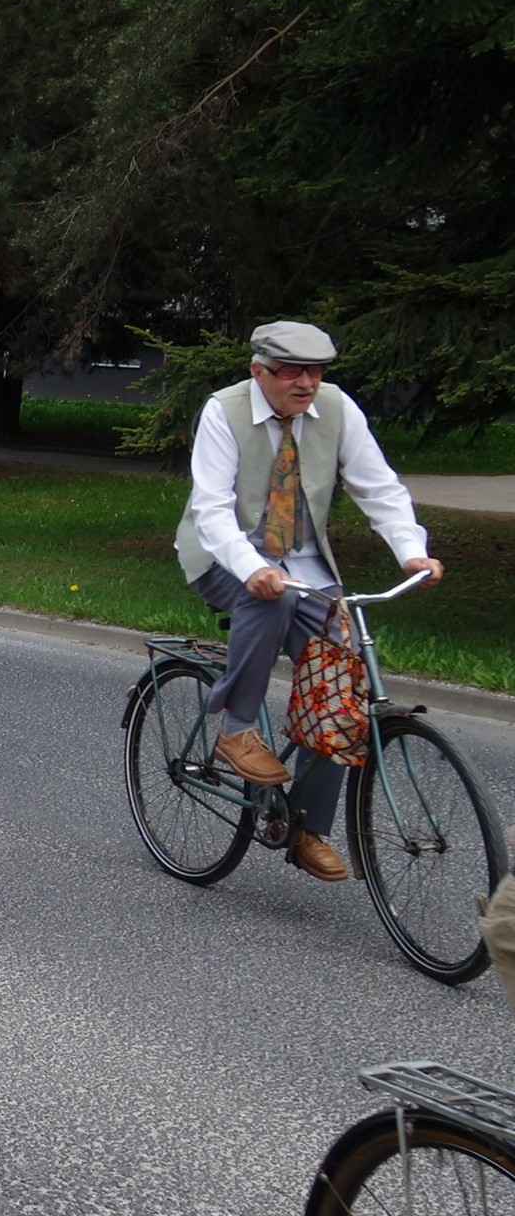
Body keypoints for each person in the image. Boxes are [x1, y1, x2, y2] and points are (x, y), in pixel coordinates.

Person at [175, 319, 443, 882]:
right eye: (291, 371)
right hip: (222, 555)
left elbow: (379, 486)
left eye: (315, 371)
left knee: (340, 687)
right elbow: (211, 508)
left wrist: (411, 551)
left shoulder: (338, 411)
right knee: (267, 600)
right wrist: (251, 568)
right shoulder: (224, 411)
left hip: (306, 566)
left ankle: (307, 828)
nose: (305, 382)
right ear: (259, 371)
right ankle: (235, 731)